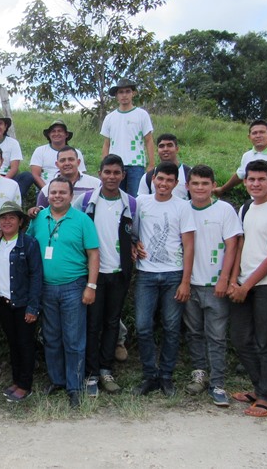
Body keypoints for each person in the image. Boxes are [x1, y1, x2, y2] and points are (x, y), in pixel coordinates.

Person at [27, 176, 100, 408]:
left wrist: (91, 285)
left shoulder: (82, 220)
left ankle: (74, 386)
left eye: (62, 193)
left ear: (71, 195)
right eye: (53, 192)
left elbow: (94, 255)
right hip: (45, 288)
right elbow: (27, 245)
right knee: (51, 337)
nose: (57, 196)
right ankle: (57, 380)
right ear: (47, 195)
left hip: (74, 287)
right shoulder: (39, 217)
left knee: (74, 339)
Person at [227, 160, 267, 418]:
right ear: (245, 182)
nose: (255, 184)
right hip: (243, 284)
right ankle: (260, 388)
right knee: (241, 339)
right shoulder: (245, 208)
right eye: (251, 179)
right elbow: (240, 247)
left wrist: (247, 285)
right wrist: (234, 281)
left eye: (261, 179)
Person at [74, 154, 139, 396]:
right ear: (99, 174)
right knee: (92, 324)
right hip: (92, 274)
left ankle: (105, 369)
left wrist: (136, 245)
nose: (111, 177)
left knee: (112, 323)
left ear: (123, 175)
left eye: (116, 173)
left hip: (119, 273)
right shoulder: (84, 201)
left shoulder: (131, 203)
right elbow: (72, 227)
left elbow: (135, 233)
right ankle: (90, 374)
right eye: (107, 172)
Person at [132, 162, 196, 398]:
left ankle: (166, 376)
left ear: (176, 184)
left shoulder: (183, 207)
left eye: (169, 180)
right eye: (160, 179)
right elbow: (131, 231)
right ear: (153, 179)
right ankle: (150, 374)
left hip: (173, 274)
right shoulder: (141, 202)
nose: (164, 184)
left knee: (171, 327)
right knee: (143, 326)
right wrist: (133, 244)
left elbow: (189, 245)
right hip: (146, 274)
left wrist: (185, 281)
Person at [183, 165, 243, 406]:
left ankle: (217, 382)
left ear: (213, 185)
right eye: (195, 183)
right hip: (189, 284)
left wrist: (225, 278)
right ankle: (199, 373)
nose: (199, 188)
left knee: (216, 336)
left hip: (214, 285)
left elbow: (232, 246)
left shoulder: (224, 210)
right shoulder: (182, 209)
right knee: (193, 332)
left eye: (205, 184)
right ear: (187, 186)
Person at [0, 201, 43, 403]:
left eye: (12, 217)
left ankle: (25, 385)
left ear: (20, 221)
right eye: (3, 218)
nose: (7, 221)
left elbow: (36, 275)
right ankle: (16, 380)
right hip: (4, 303)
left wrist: (33, 306)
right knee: (13, 344)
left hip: (23, 303)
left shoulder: (29, 243)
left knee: (25, 344)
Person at [100, 78, 156, 195]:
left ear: (133, 93)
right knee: (116, 197)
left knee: (136, 198)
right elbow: (106, 144)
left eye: (127, 91)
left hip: (136, 164)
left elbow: (149, 140)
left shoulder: (142, 115)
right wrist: (104, 164)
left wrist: (151, 164)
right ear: (116, 95)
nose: (124, 95)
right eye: (121, 92)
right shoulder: (110, 117)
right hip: (115, 165)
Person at [213, 120, 267, 198]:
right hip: (257, 202)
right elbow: (240, 175)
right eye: (254, 133)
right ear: (249, 137)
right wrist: (222, 189)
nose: (258, 136)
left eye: (262, 132)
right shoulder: (247, 156)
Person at [15, 119, 87, 199]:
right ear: (49, 135)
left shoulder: (76, 152)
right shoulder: (40, 150)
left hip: (71, 190)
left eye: (60, 131)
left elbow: (80, 175)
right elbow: (35, 174)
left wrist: (69, 191)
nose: (56, 134)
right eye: (53, 131)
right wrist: (47, 191)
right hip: (44, 189)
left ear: (66, 134)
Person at [32, 146, 101, 211]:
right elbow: (41, 216)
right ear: (57, 164)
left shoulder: (96, 184)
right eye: (62, 160)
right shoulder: (47, 190)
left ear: (78, 162)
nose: (67, 163)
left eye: (71, 159)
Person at [137, 133, 192, 201]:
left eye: (169, 145)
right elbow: (142, 203)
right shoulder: (148, 177)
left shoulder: (190, 173)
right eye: (161, 146)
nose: (165, 149)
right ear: (157, 150)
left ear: (177, 149)